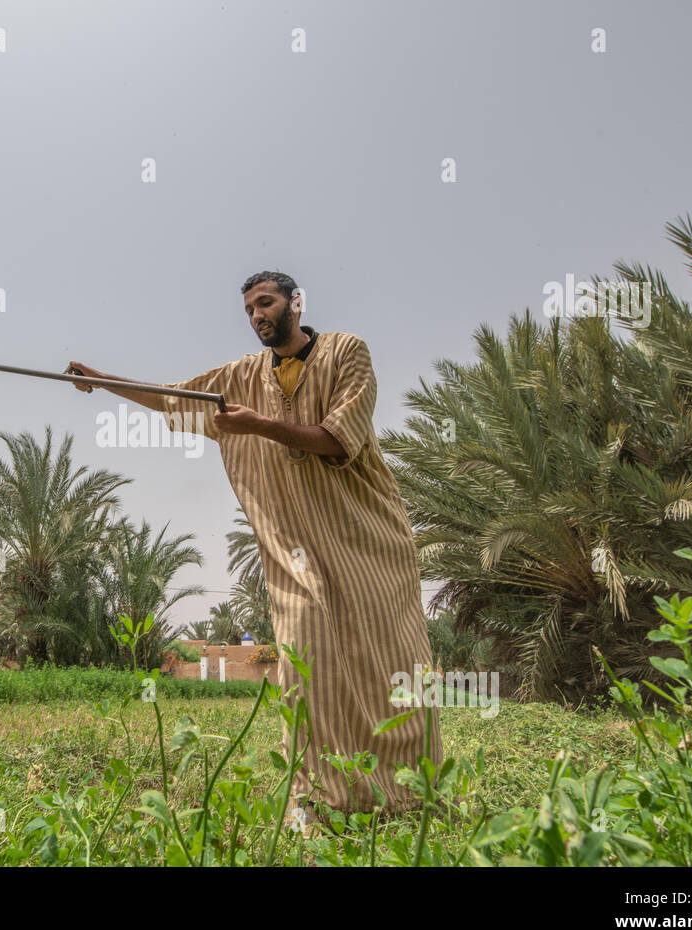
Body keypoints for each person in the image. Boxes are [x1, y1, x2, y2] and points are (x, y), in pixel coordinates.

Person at [67, 270, 442, 820]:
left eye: (265, 304)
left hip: (368, 540)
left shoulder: (346, 353)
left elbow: (339, 437)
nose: (256, 316)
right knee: (305, 660)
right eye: (248, 310)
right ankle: (319, 799)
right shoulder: (239, 377)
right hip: (294, 552)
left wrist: (259, 426)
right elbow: (175, 399)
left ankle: (412, 794)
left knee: (391, 662)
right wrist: (104, 380)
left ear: (296, 303)